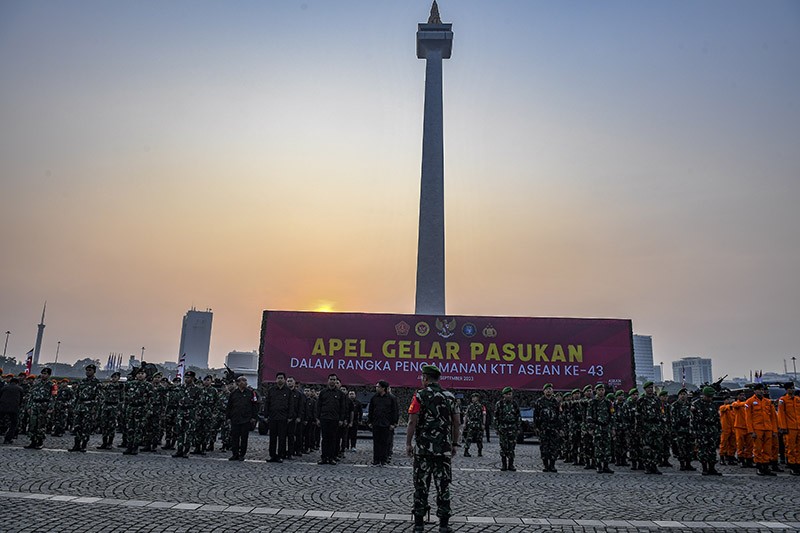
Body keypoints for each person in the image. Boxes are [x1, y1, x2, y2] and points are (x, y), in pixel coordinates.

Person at [406, 364, 460, 533]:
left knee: (421, 486)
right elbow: (457, 422)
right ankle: (443, 524)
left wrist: (408, 443)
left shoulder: (419, 396)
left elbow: (412, 421)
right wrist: (454, 444)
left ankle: (419, 524)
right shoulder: (450, 397)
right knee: (443, 486)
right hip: (443, 449)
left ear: (425, 378)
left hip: (423, 450)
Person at [745, 383, 777, 476]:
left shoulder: (768, 402)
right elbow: (748, 418)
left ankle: (766, 466)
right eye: (759, 390)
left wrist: (774, 430)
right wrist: (751, 431)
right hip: (757, 429)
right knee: (758, 449)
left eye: (762, 390)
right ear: (755, 391)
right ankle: (759, 467)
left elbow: (773, 417)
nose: (761, 391)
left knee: (767, 449)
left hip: (768, 428)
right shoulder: (749, 402)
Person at [122, 366, 153, 455]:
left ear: (145, 375)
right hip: (131, 408)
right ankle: (129, 446)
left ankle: (135, 447)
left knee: (138, 429)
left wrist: (148, 410)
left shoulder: (148, 385)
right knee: (130, 428)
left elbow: (151, 399)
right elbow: (126, 395)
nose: (140, 375)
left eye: (142, 374)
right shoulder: (130, 384)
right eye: (139, 373)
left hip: (141, 408)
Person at [69, 363, 101, 452]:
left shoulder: (97, 383)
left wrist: (95, 408)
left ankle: (84, 445)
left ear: (94, 372)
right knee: (77, 426)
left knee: (86, 427)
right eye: (87, 370)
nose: (88, 372)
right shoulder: (82, 382)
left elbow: (99, 397)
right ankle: (76, 444)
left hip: (89, 407)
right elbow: (77, 395)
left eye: (90, 370)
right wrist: (74, 406)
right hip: (80, 406)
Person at [316, 373, 346, 465]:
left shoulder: (340, 394)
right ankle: (324, 457)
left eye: (334, 380)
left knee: (333, 439)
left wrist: (341, 419)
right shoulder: (323, 392)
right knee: (325, 439)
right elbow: (318, 406)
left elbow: (342, 407)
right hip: (324, 418)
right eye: (331, 379)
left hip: (335, 419)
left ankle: (332, 457)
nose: (332, 381)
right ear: (328, 380)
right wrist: (317, 418)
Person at [227, 376, 259, 461]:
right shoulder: (233, 393)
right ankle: (235, 454)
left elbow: (255, 405)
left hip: (246, 419)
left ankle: (242, 454)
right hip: (235, 418)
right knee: (235, 437)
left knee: (244, 438)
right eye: (243, 381)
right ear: (238, 383)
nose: (245, 382)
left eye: (245, 381)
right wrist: (228, 417)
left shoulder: (251, 393)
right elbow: (229, 406)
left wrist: (254, 417)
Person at [692, 386, 722, 475]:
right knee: (703, 450)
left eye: (711, 396)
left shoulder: (713, 404)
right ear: (704, 395)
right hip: (701, 430)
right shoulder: (696, 404)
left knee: (712, 450)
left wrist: (719, 429)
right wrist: (694, 432)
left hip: (712, 430)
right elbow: (693, 419)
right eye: (708, 396)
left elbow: (717, 418)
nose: (710, 398)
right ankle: (704, 468)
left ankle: (712, 468)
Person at [368, 380, 399, 466]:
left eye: (378, 387)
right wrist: (370, 421)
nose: (376, 388)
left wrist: (394, 423)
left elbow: (395, 411)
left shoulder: (391, 398)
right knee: (376, 442)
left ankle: (384, 459)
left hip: (387, 424)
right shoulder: (374, 398)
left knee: (385, 442)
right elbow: (371, 410)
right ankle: (376, 459)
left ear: (383, 388)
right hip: (376, 423)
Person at [172, 371, 202, 458]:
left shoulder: (197, 389)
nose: (186, 379)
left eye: (188, 378)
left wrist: (197, 413)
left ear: (192, 378)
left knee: (189, 432)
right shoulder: (180, 388)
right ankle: (179, 450)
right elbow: (175, 399)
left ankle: (186, 450)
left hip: (190, 411)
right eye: (185, 377)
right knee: (179, 432)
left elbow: (199, 402)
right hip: (181, 411)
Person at [263, 372, 291, 463]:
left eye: (281, 378)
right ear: (276, 379)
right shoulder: (271, 390)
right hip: (273, 417)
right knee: (272, 437)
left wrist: (290, 416)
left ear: (284, 380)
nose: (280, 379)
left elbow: (291, 405)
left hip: (283, 417)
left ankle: (280, 455)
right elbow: (267, 403)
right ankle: (272, 455)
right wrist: (266, 415)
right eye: (278, 378)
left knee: (282, 438)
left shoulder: (288, 391)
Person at [586, 383, 614, 473]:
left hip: (606, 426)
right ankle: (598, 465)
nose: (601, 392)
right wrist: (590, 428)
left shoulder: (608, 402)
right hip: (597, 427)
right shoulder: (592, 402)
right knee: (598, 446)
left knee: (607, 447)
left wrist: (613, 428)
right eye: (599, 390)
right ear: (596, 391)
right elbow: (589, 415)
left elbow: (612, 415)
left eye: (602, 390)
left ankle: (606, 465)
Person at [637, 381, 663, 474]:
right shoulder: (641, 400)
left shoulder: (657, 400)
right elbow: (638, 415)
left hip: (656, 426)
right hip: (646, 426)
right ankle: (647, 466)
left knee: (656, 447)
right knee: (647, 448)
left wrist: (661, 426)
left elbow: (660, 413)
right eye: (648, 388)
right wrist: (639, 428)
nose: (650, 389)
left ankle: (654, 465)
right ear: (645, 389)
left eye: (652, 388)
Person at [534, 383, 562, 472]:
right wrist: (537, 427)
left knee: (554, 447)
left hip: (553, 428)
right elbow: (536, 415)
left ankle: (552, 465)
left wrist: (560, 428)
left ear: (552, 391)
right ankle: (546, 465)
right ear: (544, 391)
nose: (548, 391)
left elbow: (559, 415)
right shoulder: (539, 401)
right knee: (544, 447)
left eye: (550, 389)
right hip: (543, 428)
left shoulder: (555, 402)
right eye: (547, 389)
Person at [25, 368, 54, 450]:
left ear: (49, 375)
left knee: (41, 424)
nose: (43, 375)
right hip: (35, 405)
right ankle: (33, 441)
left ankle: (40, 441)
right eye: (42, 373)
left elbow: (53, 397)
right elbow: (31, 395)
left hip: (44, 405)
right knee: (32, 423)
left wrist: (50, 407)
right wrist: (29, 406)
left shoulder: (51, 385)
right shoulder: (36, 383)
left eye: (45, 374)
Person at [494, 386, 521, 472]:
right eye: (507, 394)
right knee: (503, 446)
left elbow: (518, 416)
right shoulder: (499, 404)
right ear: (504, 395)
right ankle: (504, 464)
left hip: (512, 428)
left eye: (510, 394)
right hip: (503, 428)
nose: (509, 396)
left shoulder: (514, 404)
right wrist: (497, 428)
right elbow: (496, 417)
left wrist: (518, 427)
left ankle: (511, 464)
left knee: (512, 447)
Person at [777, 382, 800, 475]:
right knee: (790, 447)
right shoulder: (783, 400)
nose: (792, 390)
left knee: (798, 447)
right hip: (790, 428)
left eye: (793, 388)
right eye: (790, 388)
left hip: (798, 427)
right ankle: (792, 465)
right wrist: (783, 427)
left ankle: (798, 463)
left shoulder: (798, 400)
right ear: (786, 390)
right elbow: (781, 414)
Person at [97, 372, 124, 450]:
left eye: (115, 377)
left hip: (114, 406)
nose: (114, 378)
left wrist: (119, 408)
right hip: (106, 405)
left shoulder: (120, 387)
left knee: (112, 425)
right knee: (104, 425)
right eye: (113, 377)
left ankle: (110, 443)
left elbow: (122, 398)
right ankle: (104, 442)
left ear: (118, 378)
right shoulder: (108, 386)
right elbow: (101, 389)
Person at [671, 388, 695, 471]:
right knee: (681, 447)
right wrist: (675, 429)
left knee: (689, 447)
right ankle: (682, 464)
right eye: (681, 394)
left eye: (684, 394)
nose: (683, 396)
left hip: (689, 429)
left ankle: (688, 464)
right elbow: (673, 418)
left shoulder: (690, 405)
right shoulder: (675, 405)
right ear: (678, 396)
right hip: (680, 429)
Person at [0, 377, 24, 444]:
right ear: (17, 383)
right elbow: (21, 399)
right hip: (14, 408)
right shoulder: (20, 389)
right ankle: (8, 439)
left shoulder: (4, 388)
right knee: (14, 424)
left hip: (2, 407)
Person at [462, 393, 485, 458]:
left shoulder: (481, 406)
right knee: (469, 438)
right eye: (472, 398)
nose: (473, 399)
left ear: (477, 398)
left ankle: (479, 451)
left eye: (474, 397)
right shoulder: (469, 406)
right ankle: (466, 451)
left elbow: (484, 415)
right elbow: (466, 415)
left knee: (479, 438)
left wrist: (483, 424)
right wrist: (464, 423)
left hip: (478, 423)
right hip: (471, 423)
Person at [718, 396, 737, 465]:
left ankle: (731, 457)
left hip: (733, 429)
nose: (729, 400)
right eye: (728, 399)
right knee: (723, 443)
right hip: (725, 429)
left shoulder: (733, 409)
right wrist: (731, 405)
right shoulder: (722, 407)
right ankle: (722, 457)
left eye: (730, 399)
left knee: (733, 444)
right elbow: (724, 408)